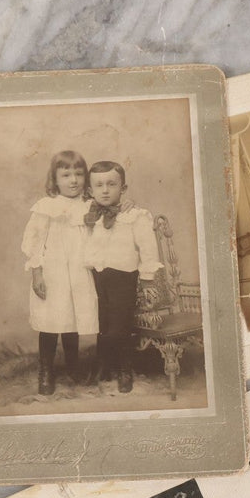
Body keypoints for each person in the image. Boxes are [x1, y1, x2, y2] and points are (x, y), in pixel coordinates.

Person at [81, 161, 161, 393]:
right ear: (90, 190)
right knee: (102, 322)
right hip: (97, 274)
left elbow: (148, 248)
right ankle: (103, 365)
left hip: (123, 276)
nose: (105, 190)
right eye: (99, 185)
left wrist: (147, 277)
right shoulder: (89, 213)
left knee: (120, 325)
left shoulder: (134, 215)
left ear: (123, 189)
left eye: (112, 184)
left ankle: (125, 368)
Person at [23, 150, 96, 394]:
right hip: (53, 272)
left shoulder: (90, 205)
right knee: (51, 320)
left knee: (72, 318)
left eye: (78, 174)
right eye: (66, 175)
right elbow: (34, 241)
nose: (73, 180)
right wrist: (36, 273)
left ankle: (73, 366)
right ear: (55, 180)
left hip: (78, 271)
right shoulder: (47, 206)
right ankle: (46, 371)